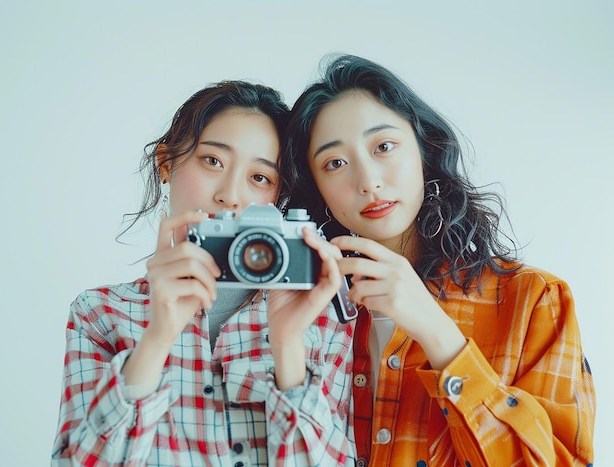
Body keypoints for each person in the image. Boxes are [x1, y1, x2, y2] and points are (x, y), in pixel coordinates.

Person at [286, 54, 595, 466]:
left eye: (383, 146)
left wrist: (437, 333)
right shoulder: (301, 310)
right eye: (335, 163)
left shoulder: (534, 301)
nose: (368, 180)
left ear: (424, 150)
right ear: (317, 188)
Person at [52, 80, 357, 466]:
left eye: (259, 177)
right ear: (166, 162)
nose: (230, 194)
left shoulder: (319, 312)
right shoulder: (99, 314)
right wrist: (157, 339)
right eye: (213, 161)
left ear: (276, 198)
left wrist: (287, 346)